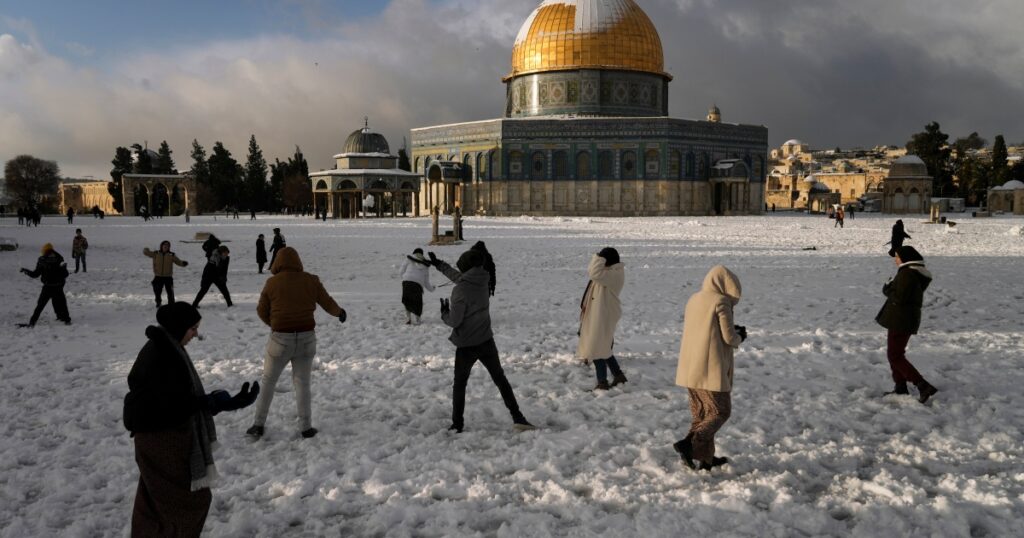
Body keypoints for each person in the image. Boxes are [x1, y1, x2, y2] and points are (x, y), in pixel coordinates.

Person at [123, 302, 259, 537]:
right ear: (178, 327)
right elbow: (166, 406)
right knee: (189, 503)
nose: (196, 334)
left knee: (154, 505)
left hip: (158, 439)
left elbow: (175, 399)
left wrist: (215, 402)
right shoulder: (163, 356)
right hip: (162, 442)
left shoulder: (167, 347)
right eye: (192, 328)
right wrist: (210, 403)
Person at [428, 249, 534, 433]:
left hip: (466, 345)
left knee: (460, 384)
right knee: (500, 379)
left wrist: (444, 313)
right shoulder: (483, 279)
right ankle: (518, 418)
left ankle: (457, 424)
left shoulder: (460, 289)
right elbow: (460, 277)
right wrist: (439, 265)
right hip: (486, 340)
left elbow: (455, 321)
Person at [247, 247, 346, 439]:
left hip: (280, 340)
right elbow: (327, 302)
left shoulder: (272, 283)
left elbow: (261, 310)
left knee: (268, 381)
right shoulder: (311, 280)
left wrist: (274, 324)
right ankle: (306, 427)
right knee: (302, 383)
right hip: (307, 338)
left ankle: (258, 424)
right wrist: (339, 312)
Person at [673, 265, 745, 471]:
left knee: (701, 414)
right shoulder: (720, 301)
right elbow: (729, 338)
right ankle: (689, 445)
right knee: (720, 412)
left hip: (690, 367)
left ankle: (706, 458)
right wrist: (741, 336)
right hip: (709, 370)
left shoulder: (694, 299)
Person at [875, 246, 938, 403]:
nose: (895, 259)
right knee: (895, 354)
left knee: (895, 355)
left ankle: (922, 385)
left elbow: (900, 298)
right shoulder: (914, 273)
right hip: (904, 318)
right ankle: (900, 387)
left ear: (906, 258)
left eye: (897, 257)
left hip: (901, 319)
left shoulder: (907, 274)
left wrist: (887, 289)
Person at [577, 248, 627, 391]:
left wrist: (598, 258)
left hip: (603, 315)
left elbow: (593, 273)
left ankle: (602, 382)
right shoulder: (610, 273)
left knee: (597, 349)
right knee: (603, 347)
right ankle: (618, 375)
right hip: (600, 314)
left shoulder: (613, 274)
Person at [19, 243, 72, 327]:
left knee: (40, 305)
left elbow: (35, 274)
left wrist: (26, 271)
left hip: (48, 286)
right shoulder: (60, 258)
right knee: (61, 303)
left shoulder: (42, 260)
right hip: (58, 286)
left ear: (44, 251)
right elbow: (65, 274)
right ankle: (66, 319)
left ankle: (32, 322)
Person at [144, 241, 189, 307]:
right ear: (161, 246)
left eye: (167, 245)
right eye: (164, 245)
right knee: (157, 292)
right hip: (158, 276)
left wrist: (183, 263)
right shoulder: (156, 253)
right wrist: (146, 249)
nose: (166, 246)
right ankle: (158, 303)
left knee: (170, 293)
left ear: (169, 247)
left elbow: (178, 262)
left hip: (168, 277)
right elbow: (147, 253)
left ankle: (171, 305)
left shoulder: (171, 255)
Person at [399, 248, 434, 325]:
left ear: (414, 253)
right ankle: (417, 319)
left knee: (407, 300)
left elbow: (400, 271)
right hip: (417, 285)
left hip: (406, 282)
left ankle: (408, 318)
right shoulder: (425, 265)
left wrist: (404, 278)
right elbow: (426, 282)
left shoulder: (408, 259)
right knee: (417, 302)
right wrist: (432, 289)